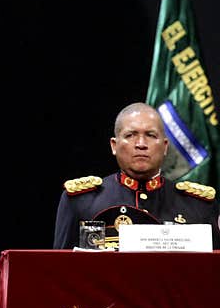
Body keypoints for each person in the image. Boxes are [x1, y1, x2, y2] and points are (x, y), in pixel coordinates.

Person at [53, 102, 219, 249]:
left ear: (165, 146)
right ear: (114, 145)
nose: (141, 144)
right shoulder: (81, 201)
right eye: (130, 135)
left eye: (151, 135)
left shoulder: (199, 206)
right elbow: (61, 273)